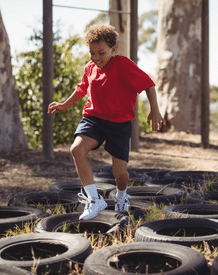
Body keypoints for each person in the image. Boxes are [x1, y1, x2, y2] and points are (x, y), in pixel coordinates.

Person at [48, 23, 165, 220]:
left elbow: (148, 84)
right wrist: (64, 105)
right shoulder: (90, 68)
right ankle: (94, 199)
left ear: (113, 49)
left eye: (101, 52)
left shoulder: (123, 65)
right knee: (77, 149)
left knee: (120, 174)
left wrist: (155, 109)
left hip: (119, 124)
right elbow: (81, 89)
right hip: (94, 119)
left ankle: (121, 196)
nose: (95, 58)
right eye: (92, 53)